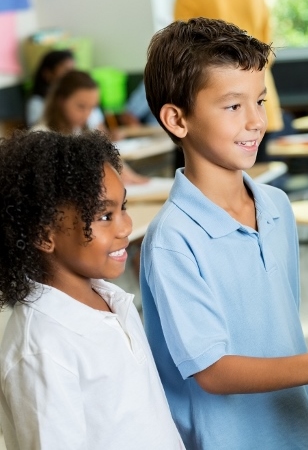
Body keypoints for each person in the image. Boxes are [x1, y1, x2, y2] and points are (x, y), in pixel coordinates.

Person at [140, 17, 308, 449]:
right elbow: (214, 371)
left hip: (297, 430)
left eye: (259, 101)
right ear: (177, 120)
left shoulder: (276, 207)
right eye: (233, 106)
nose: (256, 120)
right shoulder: (172, 240)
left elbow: (281, 332)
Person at [0, 129, 184, 449]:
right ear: (44, 235)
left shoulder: (112, 300)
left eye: (122, 208)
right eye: (104, 215)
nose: (125, 226)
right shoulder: (41, 349)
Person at [174, 0, 284, 163]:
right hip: (261, 104)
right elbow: (266, 51)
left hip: (216, 109)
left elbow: (182, 51)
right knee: (254, 182)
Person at [31, 70, 148, 185]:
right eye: (81, 106)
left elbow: (106, 158)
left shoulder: (81, 132)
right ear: (61, 101)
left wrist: (121, 172)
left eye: (92, 108)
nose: (86, 114)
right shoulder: (40, 136)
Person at [26, 49, 105, 129]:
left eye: (73, 70)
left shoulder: (78, 126)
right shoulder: (38, 105)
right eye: (66, 70)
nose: (87, 115)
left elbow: (100, 127)